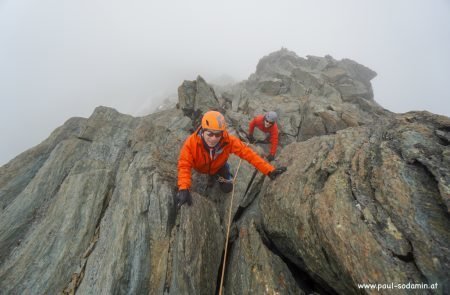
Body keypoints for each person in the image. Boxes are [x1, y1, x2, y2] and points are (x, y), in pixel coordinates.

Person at [177, 110, 287, 207]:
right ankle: (211, 175)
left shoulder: (227, 141)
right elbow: (184, 165)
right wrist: (183, 187)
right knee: (211, 176)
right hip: (203, 168)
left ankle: (221, 172)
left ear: (222, 133)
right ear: (202, 130)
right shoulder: (191, 144)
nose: (214, 138)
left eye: (218, 134)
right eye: (210, 134)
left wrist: (269, 170)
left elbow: (249, 154)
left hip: (219, 166)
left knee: (227, 188)